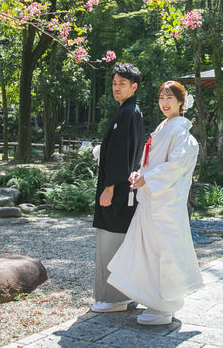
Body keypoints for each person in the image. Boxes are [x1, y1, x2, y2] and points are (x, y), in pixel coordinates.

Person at [107, 80, 204, 326]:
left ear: (181, 103)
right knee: (146, 251)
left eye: (170, 98)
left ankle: (166, 305)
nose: (164, 102)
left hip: (166, 204)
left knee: (165, 252)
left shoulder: (180, 131)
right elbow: (152, 160)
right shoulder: (164, 126)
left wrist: (147, 177)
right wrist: (140, 174)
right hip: (153, 199)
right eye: (161, 97)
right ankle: (153, 300)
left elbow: (175, 166)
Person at [90, 63, 145, 313]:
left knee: (112, 242)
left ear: (134, 87)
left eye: (122, 84)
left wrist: (110, 187)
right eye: (114, 83)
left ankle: (115, 299)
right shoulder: (127, 112)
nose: (116, 87)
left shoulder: (129, 113)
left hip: (119, 191)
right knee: (116, 241)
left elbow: (122, 156)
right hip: (122, 189)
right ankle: (122, 295)